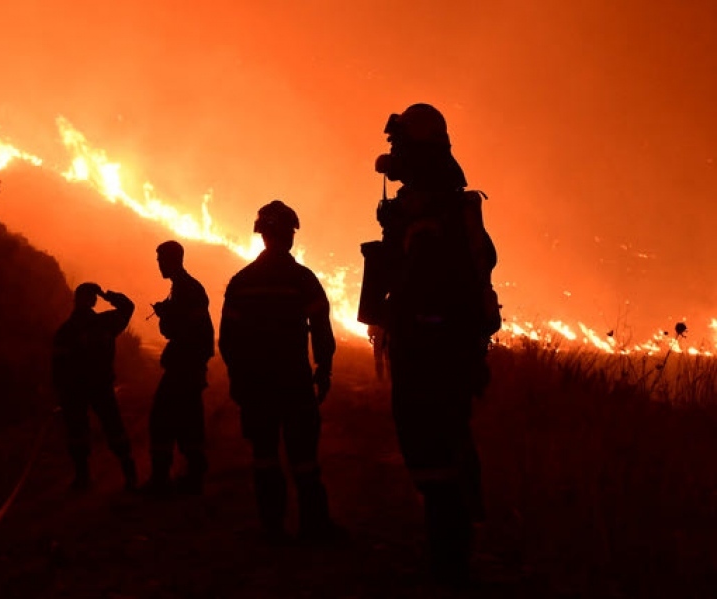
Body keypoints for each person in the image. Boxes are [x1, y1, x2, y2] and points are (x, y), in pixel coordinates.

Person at [361, 103, 498, 584]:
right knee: (434, 447)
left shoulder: (433, 213)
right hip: (433, 346)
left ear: (419, 149)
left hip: (433, 349)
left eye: (399, 146)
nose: (391, 157)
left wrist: (417, 328)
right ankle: (447, 551)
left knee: (434, 447)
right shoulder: (429, 206)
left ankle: (450, 562)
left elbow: (432, 288)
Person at [219, 200, 342, 543]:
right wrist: (324, 368)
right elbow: (320, 328)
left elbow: (228, 340)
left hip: (257, 385)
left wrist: (238, 378)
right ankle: (314, 526)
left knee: (264, 456)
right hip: (293, 382)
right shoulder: (302, 279)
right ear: (289, 235)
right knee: (303, 457)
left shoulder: (241, 282)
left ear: (262, 235)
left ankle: (271, 528)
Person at [140, 240, 215, 495]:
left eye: (161, 259)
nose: (158, 264)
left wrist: (167, 315)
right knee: (187, 421)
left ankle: (163, 480)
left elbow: (190, 329)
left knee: (161, 419)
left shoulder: (188, 289)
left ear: (174, 259)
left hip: (186, 365)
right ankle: (192, 476)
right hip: (187, 365)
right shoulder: (181, 288)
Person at [52, 282, 138, 491]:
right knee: (102, 430)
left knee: (83, 432)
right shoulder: (105, 323)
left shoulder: (69, 330)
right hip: (91, 388)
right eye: (92, 296)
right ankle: (127, 474)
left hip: (81, 390)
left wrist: (60, 391)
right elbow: (127, 307)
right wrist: (106, 294)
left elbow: (57, 367)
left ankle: (86, 478)